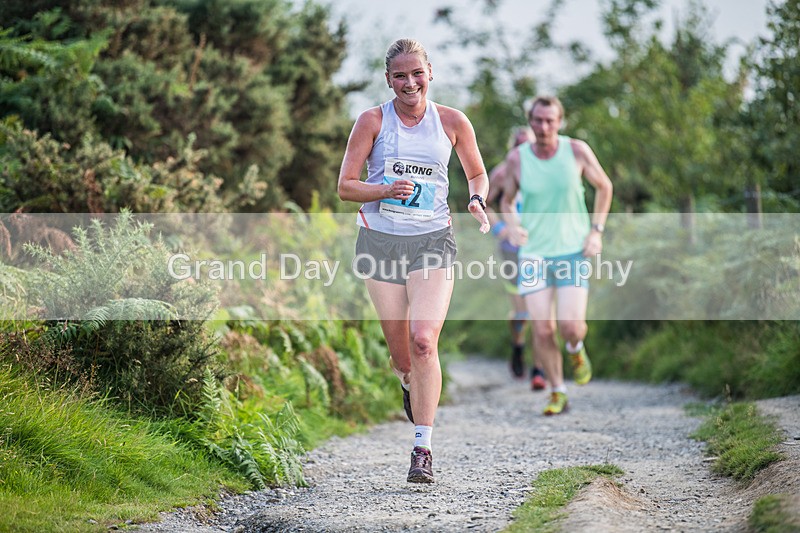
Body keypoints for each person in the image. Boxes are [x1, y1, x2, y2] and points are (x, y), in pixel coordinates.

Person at [337, 38, 490, 483]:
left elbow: (476, 172)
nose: (409, 82)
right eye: (400, 75)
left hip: (432, 241)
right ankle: (407, 381)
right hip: (380, 242)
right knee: (403, 355)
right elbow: (346, 186)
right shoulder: (370, 121)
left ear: (429, 74)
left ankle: (422, 448)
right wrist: (385, 189)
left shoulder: (452, 121)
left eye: (416, 73)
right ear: (388, 80)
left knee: (424, 340)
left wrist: (477, 199)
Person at [499, 95, 613, 416]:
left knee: (570, 327)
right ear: (530, 122)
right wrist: (512, 226)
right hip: (533, 253)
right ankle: (557, 390)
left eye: (550, 120)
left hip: (572, 251)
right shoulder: (517, 159)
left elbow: (604, 187)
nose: (544, 126)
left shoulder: (576, 151)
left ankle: (576, 349)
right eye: (537, 120)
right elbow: (506, 201)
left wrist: (596, 231)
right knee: (543, 328)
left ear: (560, 122)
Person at [483, 126, 546, 390]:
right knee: (522, 310)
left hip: (540, 246)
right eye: (518, 146)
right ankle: (518, 345)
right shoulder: (501, 172)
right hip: (511, 249)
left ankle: (539, 371)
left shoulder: (545, 171)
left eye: (528, 146)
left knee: (540, 311)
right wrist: (500, 229)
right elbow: (482, 201)